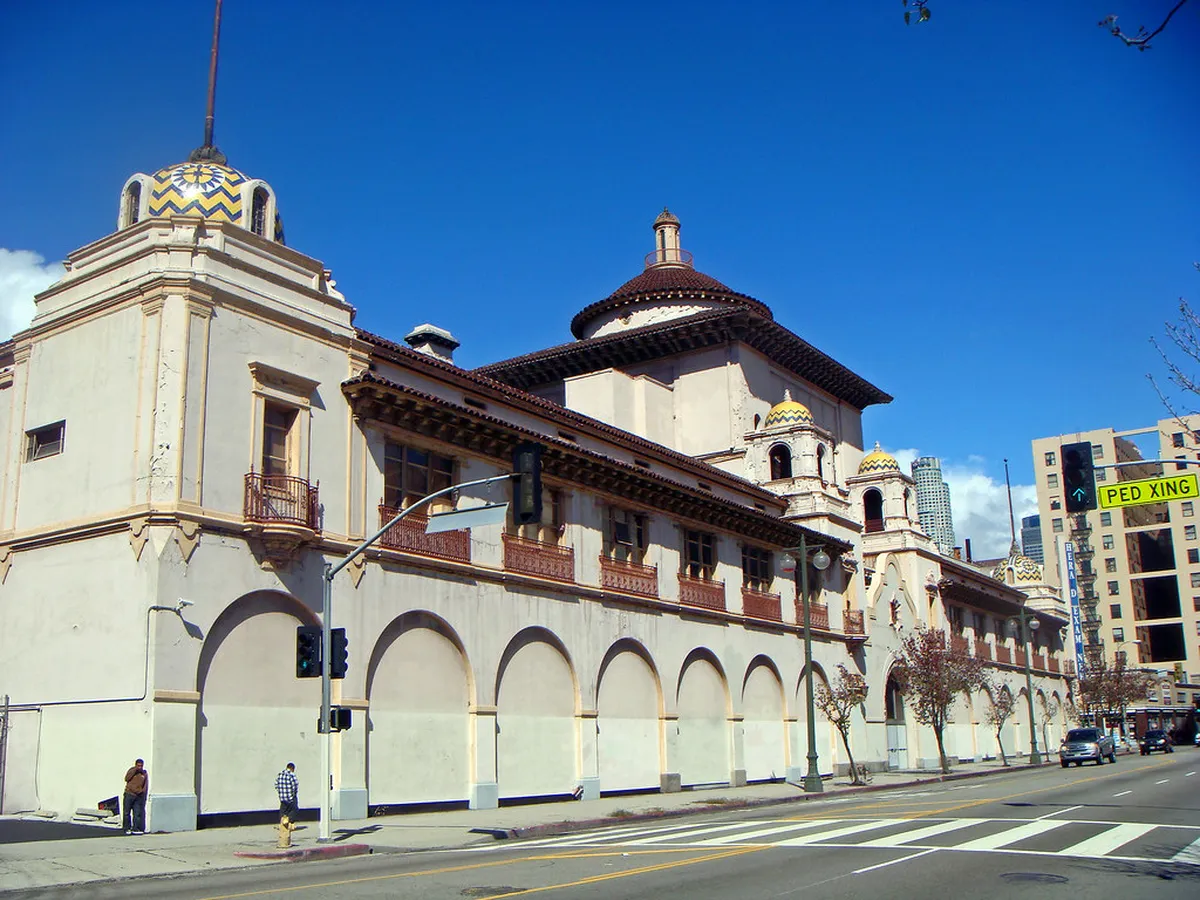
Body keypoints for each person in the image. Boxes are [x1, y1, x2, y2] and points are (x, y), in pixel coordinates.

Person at [122, 758, 148, 834]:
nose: (140, 767)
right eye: (138, 766)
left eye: (141, 766)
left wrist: (143, 793)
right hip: (129, 794)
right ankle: (126, 828)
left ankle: (135, 828)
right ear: (136, 765)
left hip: (138, 796)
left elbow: (145, 784)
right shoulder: (132, 771)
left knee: (137, 813)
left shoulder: (144, 774)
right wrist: (134, 771)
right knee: (127, 812)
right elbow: (126, 779)